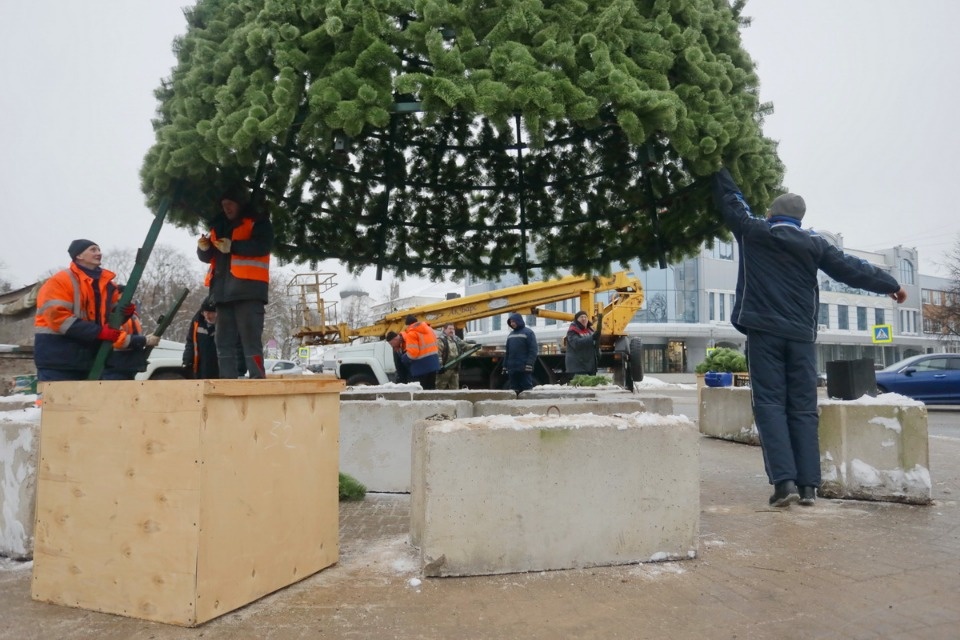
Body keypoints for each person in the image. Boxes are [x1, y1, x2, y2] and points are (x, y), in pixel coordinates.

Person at [711, 167, 907, 508]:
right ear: (800, 220)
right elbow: (854, 268)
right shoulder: (816, 245)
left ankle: (784, 482)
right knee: (803, 408)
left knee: (770, 405)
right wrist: (892, 285)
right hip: (801, 336)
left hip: (764, 334)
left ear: (771, 214)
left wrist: (719, 166)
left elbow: (732, 201)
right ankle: (809, 488)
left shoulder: (754, 231)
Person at [34, 240, 155, 381]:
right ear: (79, 255)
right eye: (93, 250)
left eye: (99, 250)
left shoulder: (107, 285)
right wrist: (99, 332)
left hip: (92, 359)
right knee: (61, 402)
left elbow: (111, 318)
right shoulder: (60, 281)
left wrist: (124, 313)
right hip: (59, 359)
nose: (99, 253)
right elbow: (57, 318)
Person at [197, 183, 274, 378]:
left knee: (250, 341)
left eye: (230, 203)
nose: (227, 208)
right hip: (223, 294)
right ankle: (227, 381)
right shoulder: (219, 227)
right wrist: (204, 248)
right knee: (223, 342)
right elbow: (209, 257)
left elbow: (262, 246)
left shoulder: (257, 222)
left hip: (248, 292)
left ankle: (257, 380)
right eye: (224, 204)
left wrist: (233, 246)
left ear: (240, 204)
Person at [102, 295, 160, 380]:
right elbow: (119, 340)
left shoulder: (131, 316)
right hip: (116, 366)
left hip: (127, 365)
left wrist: (144, 339)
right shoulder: (113, 316)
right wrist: (145, 340)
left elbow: (131, 335)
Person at [182, 297, 221, 379]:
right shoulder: (197, 322)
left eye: (210, 313)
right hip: (201, 368)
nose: (207, 316)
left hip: (221, 369)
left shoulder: (226, 325)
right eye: (205, 313)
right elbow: (190, 342)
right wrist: (187, 360)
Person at [400, 314, 441, 389]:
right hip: (434, 364)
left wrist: (404, 357)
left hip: (421, 367)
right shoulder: (430, 329)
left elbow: (413, 353)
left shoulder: (411, 334)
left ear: (408, 325)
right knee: (431, 390)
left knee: (421, 392)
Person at [503, 312, 538, 394]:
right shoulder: (510, 335)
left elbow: (533, 350)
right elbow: (507, 352)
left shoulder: (528, 333)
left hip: (524, 367)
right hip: (512, 368)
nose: (512, 324)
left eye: (513, 321)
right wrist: (504, 366)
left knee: (527, 388)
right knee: (514, 388)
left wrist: (529, 364)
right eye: (511, 322)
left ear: (519, 321)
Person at [564, 310, 598, 380]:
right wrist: (591, 338)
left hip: (589, 367)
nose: (584, 319)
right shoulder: (572, 330)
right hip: (578, 368)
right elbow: (576, 343)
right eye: (581, 317)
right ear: (577, 320)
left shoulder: (590, 330)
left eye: (585, 317)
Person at [435, 323, 471, 390]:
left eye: (453, 329)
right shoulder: (440, 340)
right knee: (440, 390)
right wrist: (440, 367)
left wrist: (474, 347)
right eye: (450, 329)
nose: (452, 330)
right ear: (444, 329)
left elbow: (464, 345)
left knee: (455, 390)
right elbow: (438, 354)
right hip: (444, 370)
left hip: (454, 369)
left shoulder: (455, 338)